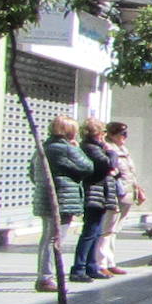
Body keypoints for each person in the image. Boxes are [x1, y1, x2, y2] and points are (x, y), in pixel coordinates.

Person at [31, 115, 92, 292]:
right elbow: (88, 167)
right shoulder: (66, 148)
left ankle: (43, 275)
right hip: (62, 198)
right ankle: (46, 277)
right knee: (55, 239)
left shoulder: (43, 147)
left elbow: (32, 171)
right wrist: (77, 148)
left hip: (45, 197)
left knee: (46, 238)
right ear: (69, 131)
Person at [71, 117, 118, 283]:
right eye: (103, 132)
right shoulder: (91, 148)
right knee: (90, 231)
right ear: (97, 133)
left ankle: (91, 266)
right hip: (94, 192)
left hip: (101, 193)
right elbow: (109, 163)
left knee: (96, 231)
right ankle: (79, 268)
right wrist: (111, 152)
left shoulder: (95, 147)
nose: (104, 135)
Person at [95, 121, 144, 276]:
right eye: (122, 134)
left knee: (114, 230)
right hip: (114, 194)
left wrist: (138, 189)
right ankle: (101, 263)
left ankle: (111, 262)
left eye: (125, 134)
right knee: (106, 230)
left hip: (127, 194)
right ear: (111, 134)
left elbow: (130, 172)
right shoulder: (107, 148)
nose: (124, 137)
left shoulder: (123, 149)